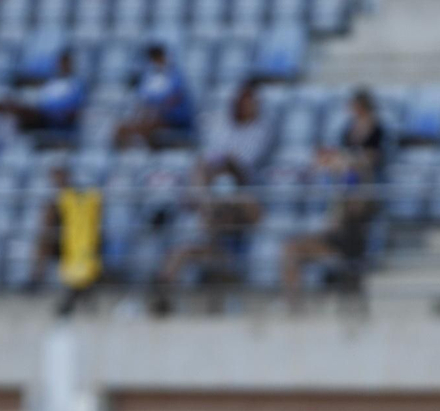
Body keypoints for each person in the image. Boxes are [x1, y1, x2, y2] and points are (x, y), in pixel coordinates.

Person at [149, 164, 262, 317]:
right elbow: (208, 232)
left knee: (215, 262)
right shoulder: (210, 206)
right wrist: (211, 209)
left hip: (234, 255)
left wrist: (232, 205)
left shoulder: (243, 203)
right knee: (181, 252)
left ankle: (216, 308)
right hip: (213, 250)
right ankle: (162, 297)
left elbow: (254, 220)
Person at [281, 146, 375, 312]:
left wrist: (345, 174)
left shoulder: (356, 184)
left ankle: (298, 306)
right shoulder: (333, 184)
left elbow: (354, 211)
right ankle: (294, 307)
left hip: (347, 243)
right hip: (331, 240)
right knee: (290, 250)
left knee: (294, 250)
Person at [35, 164, 103, 317]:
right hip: (69, 241)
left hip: (82, 240)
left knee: (81, 268)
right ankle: (75, 299)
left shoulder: (77, 197)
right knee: (76, 269)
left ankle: (72, 299)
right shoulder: (61, 199)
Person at [113, 43, 194, 149]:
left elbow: (174, 99)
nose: (155, 62)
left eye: (157, 58)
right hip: (151, 116)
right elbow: (143, 100)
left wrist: (157, 110)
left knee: (148, 127)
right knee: (122, 128)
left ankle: (149, 153)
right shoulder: (149, 76)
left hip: (173, 118)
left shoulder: (175, 75)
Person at [0, 49, 86, 137]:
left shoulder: (74, 84)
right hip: (39, 113)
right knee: (5, 105)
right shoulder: (51, 82)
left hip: (54, 118)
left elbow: (71, 107)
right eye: (61, 63)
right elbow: (41, 97)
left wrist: (45, 109)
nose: (62, 66)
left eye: (66, 64)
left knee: (23, 110)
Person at [199, 81, 272, 182]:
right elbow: (212, 151)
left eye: (249, 104)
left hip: (243, 176)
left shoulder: (260, 129)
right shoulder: (226, 123)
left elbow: (247, 160)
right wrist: (225, 157)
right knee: (200, 164)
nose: (246, 107)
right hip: (219, 167)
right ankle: (202, 196)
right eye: (243, 103)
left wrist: (229, 158)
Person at [339, 88, 386, 179]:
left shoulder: (376, 125)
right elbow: (346, 145)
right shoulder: (350, 125)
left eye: (356, 105)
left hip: (369, 159)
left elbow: (376, 149)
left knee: (351, 164)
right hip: (351, 157)